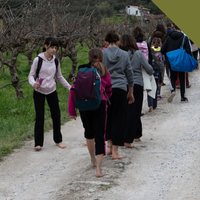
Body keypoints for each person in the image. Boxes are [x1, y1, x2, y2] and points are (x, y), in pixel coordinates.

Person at [68, 48, 112, 177]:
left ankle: (92, 159)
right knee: (100, 135)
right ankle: (99, 169)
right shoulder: (104, 72)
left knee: (88, 133)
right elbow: (109, 90)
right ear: (102, 58)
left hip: (83, 106)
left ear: (88, 58)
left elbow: (73, 89)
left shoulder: (81, 71)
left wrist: (72, 110)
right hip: (99, 105)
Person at [28, 37, 71, 151]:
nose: (54, 50)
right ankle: (38, 143)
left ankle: (58, 140)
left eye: (56, 48)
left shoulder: (56, 61)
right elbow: (31, 75)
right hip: (39, 92)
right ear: (46, 46)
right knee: (40, 117)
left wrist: (70, 88)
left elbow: (59, 76)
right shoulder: (38, 60)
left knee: (56, 115)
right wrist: (34, 83)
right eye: (52, 47)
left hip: (51, 90)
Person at [102, 29, 134, 159]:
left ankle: (109, 147)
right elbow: (129, 74)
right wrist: (130, 92)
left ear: (106, 41)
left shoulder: (102, 54)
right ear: (118, 41)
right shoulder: (124, 54)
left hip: (106, 90)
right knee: (119, 119)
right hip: (120, 88)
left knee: (108, 117)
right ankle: (115, 152)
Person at [119, 35, 153, 146]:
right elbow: (149, 69)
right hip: (137, 84)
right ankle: (128, 139)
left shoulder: (119, 54)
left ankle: (137, 134)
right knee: (135, 111)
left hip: (122, 85)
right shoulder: (138, 54)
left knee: (128, 110)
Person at [161, 25, 191, 102]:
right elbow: (188, 51)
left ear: (174, 28)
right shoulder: (184, 38)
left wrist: (168, 55)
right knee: (182, 78)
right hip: (181, 61)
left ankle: (172, 90)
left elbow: (162, 49)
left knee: (172, 77)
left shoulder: (169, 37)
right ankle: (183, 97)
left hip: (171, 60)